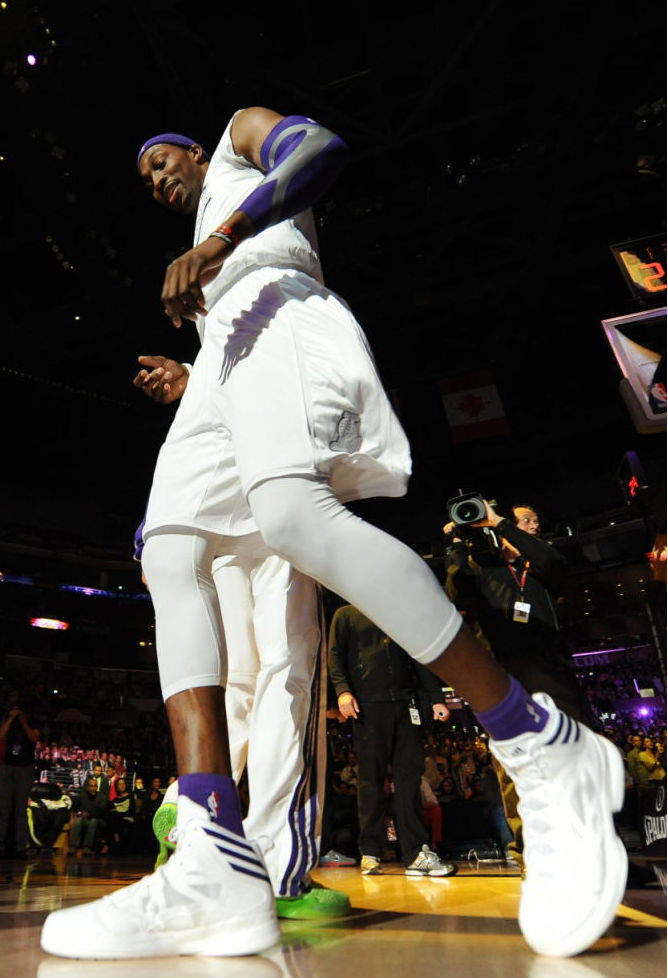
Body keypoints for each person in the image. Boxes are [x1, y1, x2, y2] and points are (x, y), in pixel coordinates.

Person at [41, 108, 626, 961]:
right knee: (167, 549)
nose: (159, 181)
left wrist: (219, 243)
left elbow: (321, 151)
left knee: (289, 517)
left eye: (164, 163)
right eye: (148, 182)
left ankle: (538, 739)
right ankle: (213, 854)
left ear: (196, 151)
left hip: (281, 309)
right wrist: (191, 370)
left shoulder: (242, 139)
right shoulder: (202, 260)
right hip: (224, 366)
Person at [133, 355, 350, 920]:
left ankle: (187, 817)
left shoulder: (216, 349)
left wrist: (187, 376)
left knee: (233, 681)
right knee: (289, 680)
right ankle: (280, 868)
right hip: (281, 504)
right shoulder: (292, 321)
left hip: (208, 512)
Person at [444, 499, 599, 865]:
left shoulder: (540, 566)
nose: (534, 526)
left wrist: (500, 522)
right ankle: (529, 852)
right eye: (527, 521)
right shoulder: (483, 568)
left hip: (553, 673)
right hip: (503, 677)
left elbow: (553, 562)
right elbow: (455, 591)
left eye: (535, 521)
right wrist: (456, 544)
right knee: (517, 767)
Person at [327, 603, 456, 877]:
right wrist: (342, 691)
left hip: (406, 704)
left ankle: (416, 852)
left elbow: (420, 657)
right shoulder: (346, 614)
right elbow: (335, 655)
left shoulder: (400, 610)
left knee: (409, 778)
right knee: (370, 780)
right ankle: (370, 852)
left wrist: (435, 698)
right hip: (368, 706)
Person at [0, 690, 40, 858]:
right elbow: (1, 736)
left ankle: (20, 845)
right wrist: (11, 718)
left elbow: (33, 738)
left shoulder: (32, 720)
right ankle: (1, 845)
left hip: (25, 767)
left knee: (20, 808)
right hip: (7, 766)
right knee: (3, 807)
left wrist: (23, 722)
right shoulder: (7, 718)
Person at [69, 776, 107, 856]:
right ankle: (73, 846)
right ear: (87, 787)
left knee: (93, 821)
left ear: (97, 787)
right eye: (91, 786)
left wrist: (89, 813)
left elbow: (101, 811)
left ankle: (87, 847)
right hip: (85, 819)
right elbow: (74, 806)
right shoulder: (83, 795)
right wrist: (73, 816)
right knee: (78, 820)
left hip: (98, 820)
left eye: (94, 786)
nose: (93, 788)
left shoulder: (101, 796)